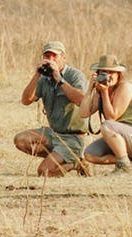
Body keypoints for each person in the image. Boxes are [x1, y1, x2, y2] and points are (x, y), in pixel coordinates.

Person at [13, 40, 88, 177]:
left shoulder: (75, 76)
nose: (50, 60)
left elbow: (81, 101)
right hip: (53, 134)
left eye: (54, 56)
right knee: (20, 139)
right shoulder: (43, 79)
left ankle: (76, 162)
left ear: (63, 58)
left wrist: (60, 80)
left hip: (73, 137)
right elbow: (26, 100)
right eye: (47, 56)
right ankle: (57, 156)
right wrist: (37, 75)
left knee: (44, 172)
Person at [78, 55, 132, 175]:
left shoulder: (125, 88)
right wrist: (90, 89)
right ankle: (130, 162)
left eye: (112, 72)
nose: (108, 76)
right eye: (104, 72)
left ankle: (124, 168)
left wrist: (105, 93)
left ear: (119, 74)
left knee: (107, 125)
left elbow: (112, 117)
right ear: (98, 74)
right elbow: (83, 113)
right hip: (126, 137)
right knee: (90, 155)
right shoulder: (100, 90)